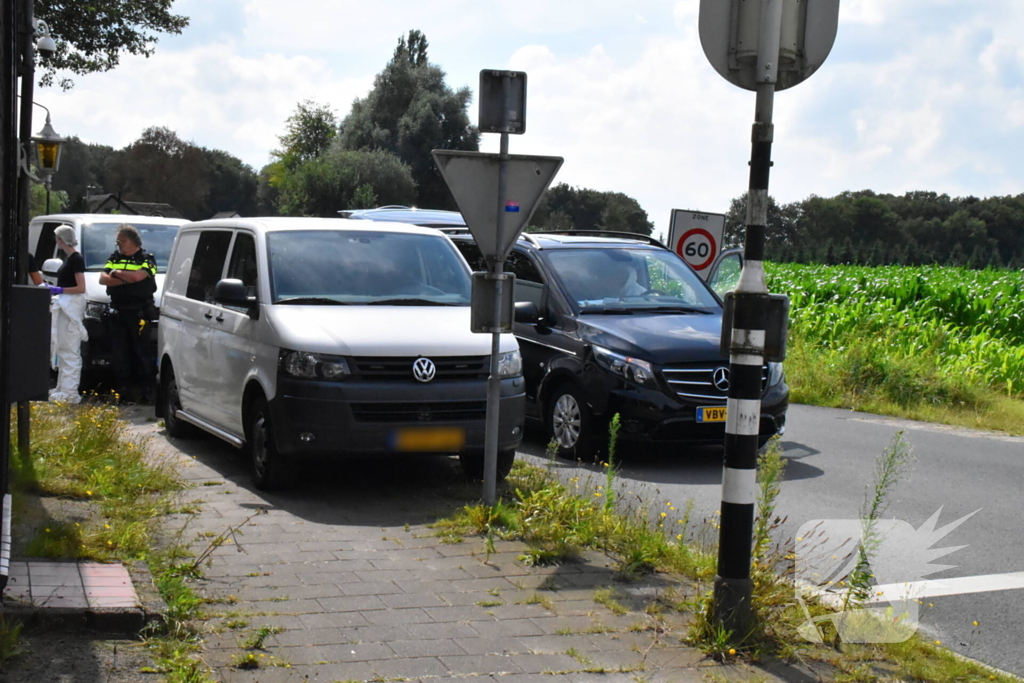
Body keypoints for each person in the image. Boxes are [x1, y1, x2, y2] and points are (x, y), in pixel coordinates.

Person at [98, 225, 158, 404]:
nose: (118, 245)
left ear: (131, 241)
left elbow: (138, 277)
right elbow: (102, 279)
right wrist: (125, 278)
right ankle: (122, 393)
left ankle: (145, 392)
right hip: (118, 312)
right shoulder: (114, 257)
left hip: (138, 313)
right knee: (119, 354)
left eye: (120, 241)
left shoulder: (147, 259)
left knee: (142, 353)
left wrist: (117, 276)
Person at [48, 226, 88, 403]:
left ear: (61, 240)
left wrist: (59, 289)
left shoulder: (76, 259)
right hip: (65, 305)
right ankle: (62, 387)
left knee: (70, 349)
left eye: (57, 238)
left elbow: (81, 287)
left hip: (71, 307)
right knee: (62, 347)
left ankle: (71, 392)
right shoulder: (69, 258)